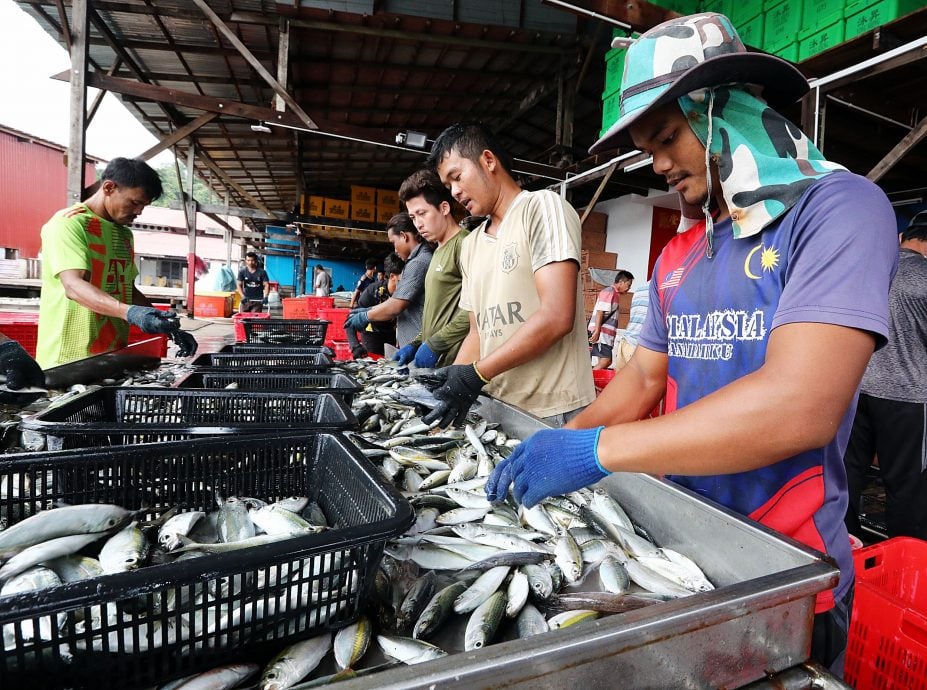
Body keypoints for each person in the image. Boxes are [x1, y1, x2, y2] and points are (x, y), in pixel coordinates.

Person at [484, 13, 899, 675]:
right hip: (678, 550)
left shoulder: (839, 209)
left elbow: (800, 404)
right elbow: (645, 379)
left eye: (667, 136)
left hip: (785, 571)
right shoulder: (683, 248)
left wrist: (598, 449)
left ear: (719, 110)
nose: (656, 163)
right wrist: (556, 441)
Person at [425, 122, 595, 426]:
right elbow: (478, 332)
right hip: (499, 407)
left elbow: (557, 316)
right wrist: (454, 385)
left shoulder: (541, 208)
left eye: (457, 176)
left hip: (553, 411)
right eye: (448, 186)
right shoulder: (471, 245)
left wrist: (476, 374)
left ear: (488, 161)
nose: (454, 192)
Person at [36, 157, 197, 368]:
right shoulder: (68, 224)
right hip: (69, 358)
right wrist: (129, 313)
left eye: (144, 206)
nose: (139, 212)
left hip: (112, 353)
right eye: (135, 202)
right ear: (109, 187)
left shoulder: (123, 235)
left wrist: (168, 328)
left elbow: (126, 289)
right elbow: (74, 287)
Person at [844, 211, 927, 540]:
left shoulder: (867, 270)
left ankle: (846, 547)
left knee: (847, 476)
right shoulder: (923, 277)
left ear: (901, 239)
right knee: (908, 486)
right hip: (907, 397)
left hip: (855, 390)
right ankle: (904, 557)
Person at [392, 169, 471, 369]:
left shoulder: (465, 244)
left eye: (422, 213)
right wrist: (416, 343)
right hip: (436, 366)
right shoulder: (436, 251)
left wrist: (437, 344)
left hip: (454, 365)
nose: (418, 224)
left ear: (444, 208)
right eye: (413, 217)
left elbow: (477, 309)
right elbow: (435, 315)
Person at [344, 213, 432, 348]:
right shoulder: (421, 258)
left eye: (393, 242)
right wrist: (369, 309)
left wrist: (365, 315)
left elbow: (396, 306)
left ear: (404, 236)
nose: (395, 249)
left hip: (419, 346)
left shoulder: (418, 263)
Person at [346, 253, 405, 358]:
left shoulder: (406, 294)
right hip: (371, 337)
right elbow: (350, 321)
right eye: (404, 277)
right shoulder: (373, 291)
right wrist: (355, 345)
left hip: (391, 335)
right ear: (392, 276)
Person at [588, 270, 634, 370]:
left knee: (603, 361)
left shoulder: (615, 294)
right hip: (602, 334)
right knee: (606, 361)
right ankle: (589, 381)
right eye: (628, 284)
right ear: (621, 282)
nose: (629, 288)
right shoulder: (610, 291)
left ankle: (592, 381)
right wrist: (597, 331)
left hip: (604, 334)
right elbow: (600, 311)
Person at [612, 281, 650, 371]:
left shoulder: (640, 289)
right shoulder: (663, 290)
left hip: (626, 342)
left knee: (621, 383)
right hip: (638, 347)